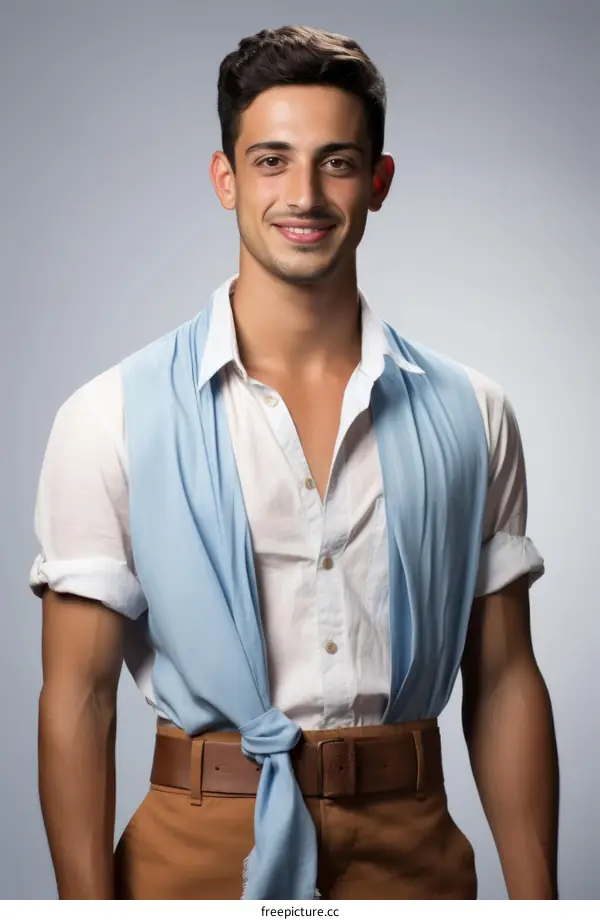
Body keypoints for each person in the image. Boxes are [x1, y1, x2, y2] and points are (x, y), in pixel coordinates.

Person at [30, 25, 559, 900]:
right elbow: (79, 701)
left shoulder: (475, 412)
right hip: (193, 856)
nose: (304, 194)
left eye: (338, 162)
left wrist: (544, 909)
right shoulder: (108, 416)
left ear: (379, 183)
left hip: (412, 854)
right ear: (225, 178)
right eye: (271, 160)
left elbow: (503, 680)